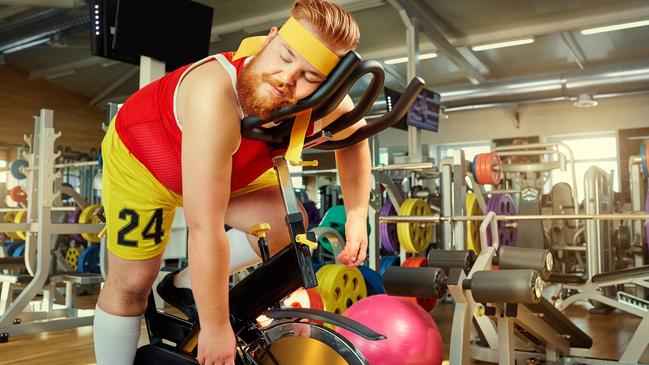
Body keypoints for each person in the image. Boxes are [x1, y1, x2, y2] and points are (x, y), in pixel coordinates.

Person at [93, 1, 370, 365]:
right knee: (131, 286)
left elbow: (354, 138)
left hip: (227, 167)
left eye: (311, 76)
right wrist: (215, 326)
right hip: (144, 162)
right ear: (270, 38)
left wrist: (356, 213)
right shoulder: (214, 92)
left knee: (286, 224)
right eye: (285, 56)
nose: (288, 78)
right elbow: (204, 227)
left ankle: (186, 284)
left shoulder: (323, 101)